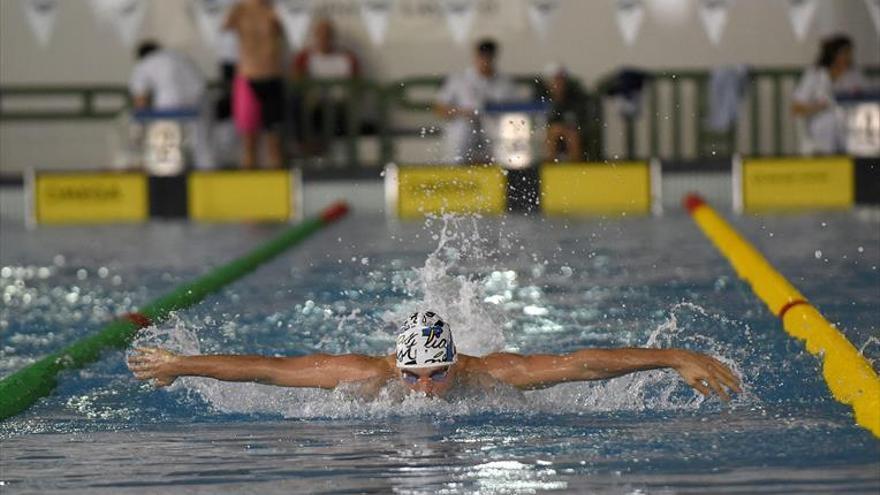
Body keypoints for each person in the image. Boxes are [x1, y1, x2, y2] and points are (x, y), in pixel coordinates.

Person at [128, 311, 742, 402]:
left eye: (438, 374)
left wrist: (672, 355)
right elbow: (267, 367)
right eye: (414, 375)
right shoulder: (369, 377)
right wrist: (182, 363)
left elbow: (583, 362)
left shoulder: (493, 373)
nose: (425, 390)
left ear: (457, 362)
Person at [129, 40, 214, 169]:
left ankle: (166, 174)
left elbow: (140, 101)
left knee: (165, 141)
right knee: (202, 144)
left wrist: (139, 126)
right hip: (200, 97)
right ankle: (209, 175)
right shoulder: (178, 55)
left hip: (170, 101)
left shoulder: (144, 64)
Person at [223, 0, 286, 169]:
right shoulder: (238, 11)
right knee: (249, 143)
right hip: (247, 77)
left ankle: (277, 188)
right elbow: (222, 30)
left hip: (272, 76)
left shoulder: (274, 10)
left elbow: (289, 31)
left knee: (274, 143)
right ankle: (248, 189)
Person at [434, 39, 517, 164]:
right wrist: (463, 112)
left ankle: (504, 172)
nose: (485, 60)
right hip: (463, 131)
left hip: (492, 131)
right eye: (482, 56)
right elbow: (439, 108)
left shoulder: (504, 83)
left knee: (503, 133)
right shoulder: (459, 80)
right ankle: (455, 170)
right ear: (475, 56)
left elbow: (515, 111)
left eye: (488, 56)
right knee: (463, 129)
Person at [290, 17, 362, 155]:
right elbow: (296, 82)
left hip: (339, 106)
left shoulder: (347, 58)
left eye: (327, 35)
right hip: (314, 106)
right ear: (315, 37)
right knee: (298, 104)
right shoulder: (305, 58)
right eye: (320, 35)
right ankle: (305, 146)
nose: (324, 39)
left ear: (333, 37)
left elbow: (357, 87)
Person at [791, 34, 868, 155]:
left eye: (849, 53)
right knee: (831, 122)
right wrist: (820, 106)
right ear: (833, 54)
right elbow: (796, 107)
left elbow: (865, 96)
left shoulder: (854, 75)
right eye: (844, 53)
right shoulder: (815, 75)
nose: (848, 57)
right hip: (822, 122)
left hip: (850, 121)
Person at [536, 63, 587, 162]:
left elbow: (579, 121)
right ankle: (548, 165)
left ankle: (575, 166)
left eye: (561, 80)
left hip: (569, 132)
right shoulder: (540, 99)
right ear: (548, 83)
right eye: (556, 80)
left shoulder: (575, 100)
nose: (559, 84)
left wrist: (564, 129)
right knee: (553, 132)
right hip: (545, 135)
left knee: (572, 135)